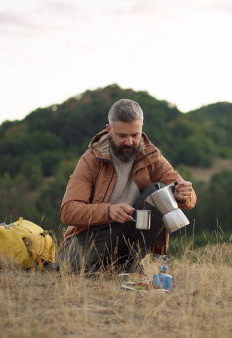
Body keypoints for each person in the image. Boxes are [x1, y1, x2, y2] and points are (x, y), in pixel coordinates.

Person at [58, 99, 196, 275]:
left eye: (135, 135)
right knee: (70, 268)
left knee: (159, 190)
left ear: (141, 129)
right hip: (92, 235)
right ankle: (112, 267)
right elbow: (68, 211)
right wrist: (108, 211)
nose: (129, 142)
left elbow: (189, 199)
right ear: (109, 130)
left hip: (130, 234)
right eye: (122, 136)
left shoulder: (152, 157)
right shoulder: (90, 160)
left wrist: (183, 194)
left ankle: (130, 263)